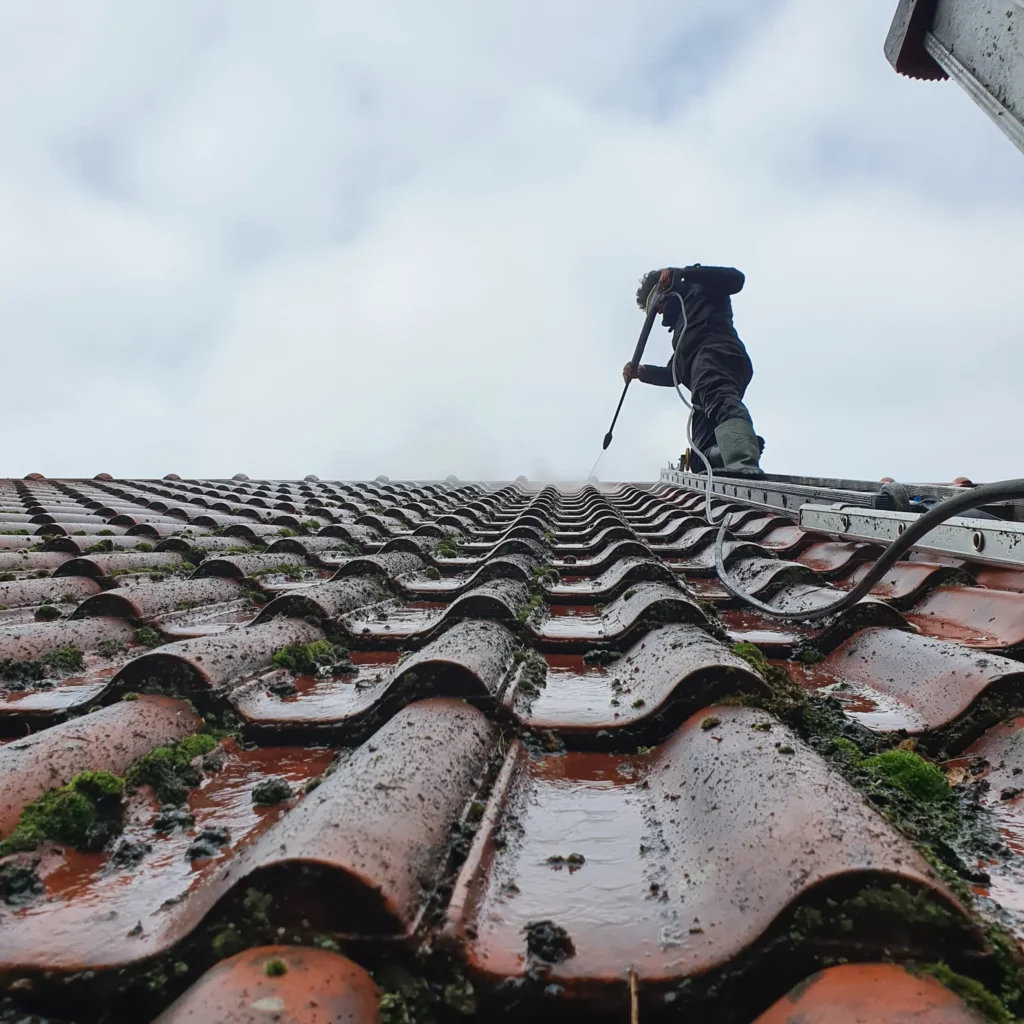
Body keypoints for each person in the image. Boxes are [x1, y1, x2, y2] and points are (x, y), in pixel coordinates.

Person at [624, 265, 764, 474]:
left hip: (716, 354)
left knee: (718, 396)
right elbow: (675, 374)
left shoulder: (698, 286)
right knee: (700, 448)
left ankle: (742, 454)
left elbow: (736, 279)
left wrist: (685, 273)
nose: (659, 310)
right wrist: (643, 372)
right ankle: (727, 454)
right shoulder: (682, 335)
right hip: (700, 383)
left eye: (657, 303)